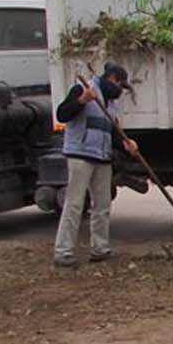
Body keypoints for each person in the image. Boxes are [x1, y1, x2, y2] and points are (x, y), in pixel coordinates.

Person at [52, 63, 138, 268]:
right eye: (119, 85)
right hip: (80, 155)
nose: (120, 90)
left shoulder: (111, 103)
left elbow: (109, 130)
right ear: (111, 78)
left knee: (102, 205)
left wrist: (126, 143)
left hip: (102, 157)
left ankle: (100, 249)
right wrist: (82, 100)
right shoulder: (83, 89)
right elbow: (62, 114)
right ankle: (63, 253)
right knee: (74, 204)